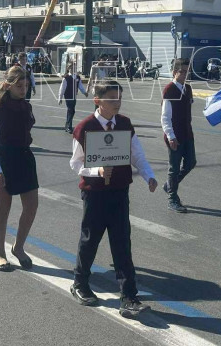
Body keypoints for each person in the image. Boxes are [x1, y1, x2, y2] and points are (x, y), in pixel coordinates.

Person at [69, 80, 157, 318]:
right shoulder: (85, 127)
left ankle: (129, 296)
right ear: (97, 101)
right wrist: (96, 170)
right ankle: (80, 283)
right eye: (111, 99)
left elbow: (136, 154)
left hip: (119, 192)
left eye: (119, 98)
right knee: (90, 240)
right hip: (95, 194)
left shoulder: (125, 124)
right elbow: (76, 163)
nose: (117, 103)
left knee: (122, 243)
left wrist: (149, 176)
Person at [0, 66, 39, 272]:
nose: (23, 89)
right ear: (8, 85)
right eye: (19, 86)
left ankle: (19, 247)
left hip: (24, 158)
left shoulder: (27, 106)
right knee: (3, 209)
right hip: (3, 160)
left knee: (31, 206)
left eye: (25, 85)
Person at [161, 58, 196, 213]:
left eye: (187, 71)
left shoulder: (187, 88)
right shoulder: (169, 90)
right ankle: (172, 198)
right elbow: (165, 117)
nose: (185, 74)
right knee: (174, 169)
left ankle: (169, 185)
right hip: (175, 135)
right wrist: (170, 136)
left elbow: (189, 105)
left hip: (187, 133)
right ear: (174, 72)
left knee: (191, 163)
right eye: (182, 71)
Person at [58, 62, 88, 134]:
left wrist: (84, 92)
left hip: (74, 95)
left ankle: (67, 124)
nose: (73, 69)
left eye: (74, 67)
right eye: (71, 68)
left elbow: (80, 86)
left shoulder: (77, 77)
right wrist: (60, 97)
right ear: (68, 68)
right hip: (68, 96)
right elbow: (62, 88)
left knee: (72, 110)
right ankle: (69, 126)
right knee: (70, 110)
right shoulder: (66, 78)